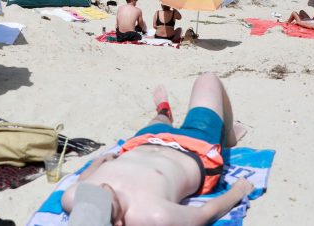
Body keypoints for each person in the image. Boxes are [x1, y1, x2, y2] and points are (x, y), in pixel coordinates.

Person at [62, 74, 252, 226]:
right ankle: (228, 136)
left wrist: (98, 163)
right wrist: (238, 191)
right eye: (103, 197)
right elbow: (203, 214)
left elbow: (82, 179)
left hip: (143, 142)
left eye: (90, 193)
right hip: (195, 149)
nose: (101, 187)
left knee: (159, 122)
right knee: (208, 79)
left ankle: (163, 112)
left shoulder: (73, 198)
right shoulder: (154, 216)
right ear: (119, 222)